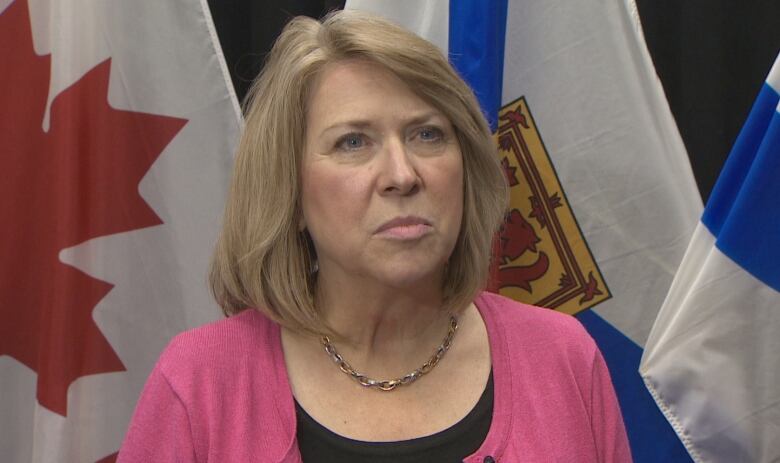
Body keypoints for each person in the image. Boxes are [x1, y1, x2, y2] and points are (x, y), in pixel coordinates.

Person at [118, 10, 631, 463]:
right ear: (289, 192)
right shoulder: (199, 383)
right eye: (353, 142)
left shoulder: (562, 356)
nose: (402, 174)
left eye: (427, 134)